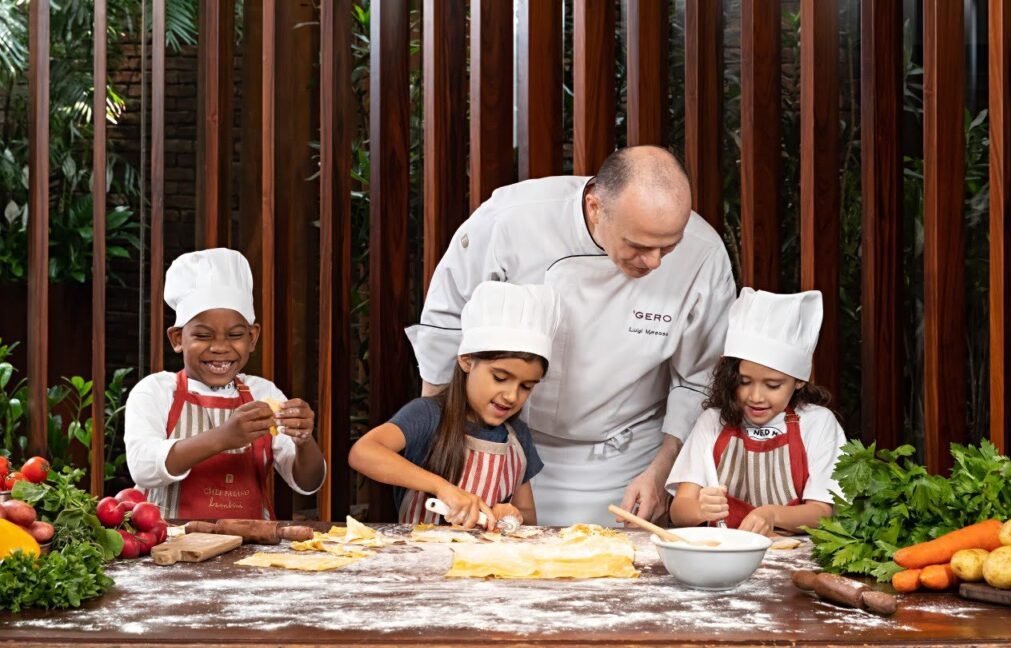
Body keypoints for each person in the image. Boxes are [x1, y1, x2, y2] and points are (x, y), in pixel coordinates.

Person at [406, 145, 735, 526]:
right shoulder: (510, 220)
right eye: (638, 245)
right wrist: (441, 441)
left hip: (628, 461)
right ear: (595, 208)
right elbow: (446, 329)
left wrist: (663, 471)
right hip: (505, 445)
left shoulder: (705, 253)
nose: (654, 261)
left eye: (669, 246)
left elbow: (699, 378)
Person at [124, 248, 325, 519]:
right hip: (170, 545)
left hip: (251, 548)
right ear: (177, 339)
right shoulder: (156, 391)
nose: (220, 347)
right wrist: (224, 437)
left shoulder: (263, 393)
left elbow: (307, 483)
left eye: (235, 335)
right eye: (203, 335)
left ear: (252, 338)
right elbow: (143, 467)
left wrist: (304, 441)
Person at [349, 281, 560, 530]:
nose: (512, 396)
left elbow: (529, 517)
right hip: (422, 563)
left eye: (526, 386)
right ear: (467, 361)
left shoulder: (517, 437)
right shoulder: (428, 415)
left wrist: (510, 516)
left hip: (486, 566)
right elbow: (362, 453)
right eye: (500, 378)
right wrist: (442, 488)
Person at [665, 288, 845, 536]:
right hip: (723, 554)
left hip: (790, 555)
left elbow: (822, 512)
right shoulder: (713, 422)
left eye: (773, 385)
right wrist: (700, 509)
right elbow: (679, 510)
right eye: (744, 381)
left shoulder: (817, 422)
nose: (756, 397)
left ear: (799, 381)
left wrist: (772, 514)